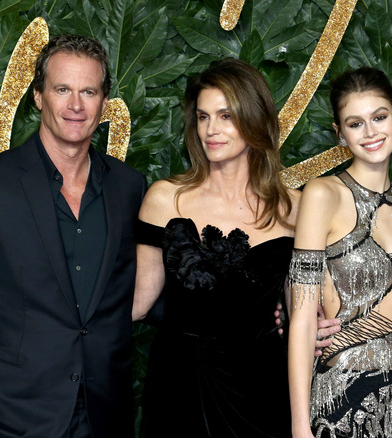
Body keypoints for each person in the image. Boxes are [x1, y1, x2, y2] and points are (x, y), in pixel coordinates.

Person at [0, 35, 146, 438]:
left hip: (104, 419)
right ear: (38, 96)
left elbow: (149, 289)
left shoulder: (129, 187)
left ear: (103, 102)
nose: (76, 105)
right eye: (63, 89)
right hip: (8, 419)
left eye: (88, 91)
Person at [132, 58, 299, 437]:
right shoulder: (165, 198)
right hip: (180, 385)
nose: (211, 129)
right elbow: (137, 302)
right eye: (203, 117)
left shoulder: (295, 207)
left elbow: (299, 310)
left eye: (225, 116)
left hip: (261, 386)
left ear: (254, 120)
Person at [288, 67, 392, 438]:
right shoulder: (323, 194)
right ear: (339, 134)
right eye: (355, 123)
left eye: (379, 117)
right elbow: (302, 317)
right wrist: (299, 426)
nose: (371, 132)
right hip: (348, 400)